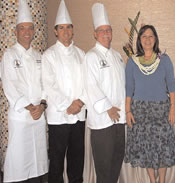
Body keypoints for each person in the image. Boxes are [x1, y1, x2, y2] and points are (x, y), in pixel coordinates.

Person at [1, 0, 48, 182]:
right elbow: (9, 84)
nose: (27, 32)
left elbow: (45, 84)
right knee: (19, 163)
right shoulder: (9, 55)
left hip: (38, 116)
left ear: (34, 31)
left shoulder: (38, 56)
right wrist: (30, 107)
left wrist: (42, 106)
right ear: (16, 31)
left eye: (30, 28)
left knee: (37, 162)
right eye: (22, 28)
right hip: (21, 116)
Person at [124, 24, 175, 183]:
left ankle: (162, 180)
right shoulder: (132, 62)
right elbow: (129, 89)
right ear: (139, 40)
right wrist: (128, 111)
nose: (147, 39)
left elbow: (171, 85)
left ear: (155, 39)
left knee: (162, 147)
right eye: (144, 36)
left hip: (161, 109)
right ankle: (152, 181)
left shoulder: (164, 60)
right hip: (140, 110)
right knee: (146, 147)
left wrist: (173, 108)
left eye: (151, 36)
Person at [41, 0, 86, 182]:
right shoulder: (48, 55)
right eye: (62, 28)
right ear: (55, 31)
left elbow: (87, 83)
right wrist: (68, 105)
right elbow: (49, 84)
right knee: (57, 161)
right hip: (58, 116)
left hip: (79, 115)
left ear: (73, 30)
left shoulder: (81, 54)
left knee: (77, 160)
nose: (66, 31)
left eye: (69, 27)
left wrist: (79, 102)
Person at [83, 3, 126, 183]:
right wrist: (108, 108)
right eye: (102, 31)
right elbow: (90, 86)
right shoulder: (91, 56)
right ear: (95, 34)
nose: (106, 34)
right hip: (102, 121)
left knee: (116, 162)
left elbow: (123, 86)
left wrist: (124, 110)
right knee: (103, 167)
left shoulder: (117, 56)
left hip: (119, 119)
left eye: (108, 30)